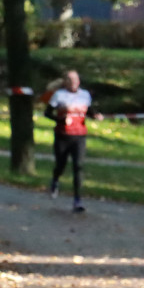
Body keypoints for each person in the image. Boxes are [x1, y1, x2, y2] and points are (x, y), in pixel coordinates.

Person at [46, 70, 103, 213]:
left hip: (79, 136)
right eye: (71, 80)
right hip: (62, 136)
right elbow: (47, 113)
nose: (74, 83)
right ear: (65, 82)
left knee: (78, 166)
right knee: (61, 165)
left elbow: (88, 110)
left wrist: (95, 115)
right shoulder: (59, 95)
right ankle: (55, 180)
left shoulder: (84, 95)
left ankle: (77, 200)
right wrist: (60, 119)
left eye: (76, 80)